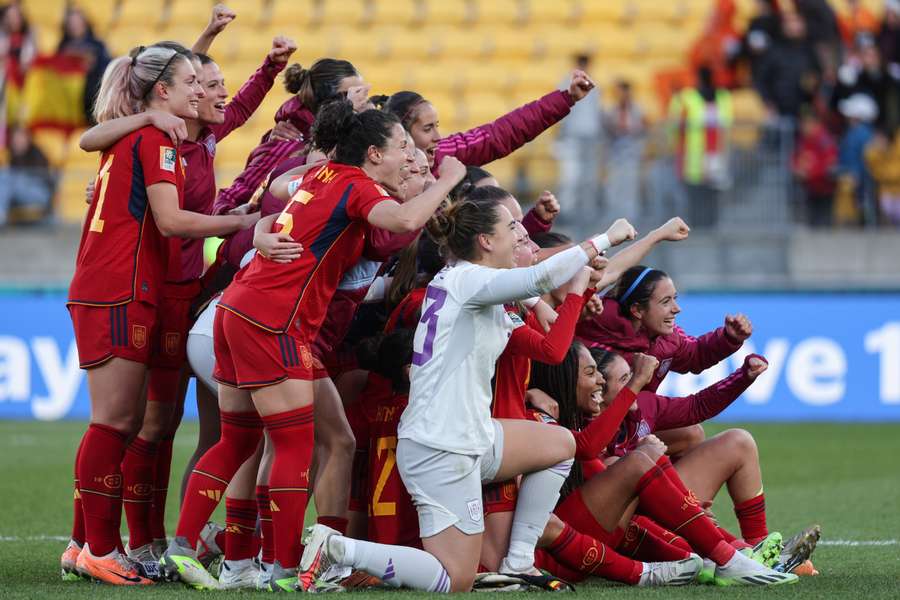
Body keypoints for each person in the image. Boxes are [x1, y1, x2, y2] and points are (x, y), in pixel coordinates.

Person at [161, 100, 467, 591]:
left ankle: (184, 549)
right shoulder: (355, 186)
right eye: (400, 147)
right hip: (274, 321)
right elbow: (405, 223)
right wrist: (448, 179)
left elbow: (283, 194)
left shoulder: (324, 174)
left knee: (240, 440)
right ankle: (283, 570)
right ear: (373, 154)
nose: (408, 155)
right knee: (294, 445)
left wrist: (263, 229)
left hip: (239, 309)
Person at [295, 195, 636, 593]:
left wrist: (537, 304)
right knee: (455, 578)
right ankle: (338, 548)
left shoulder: (464, 280)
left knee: (561, 444)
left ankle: (520, 561)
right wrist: (606, 238)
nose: (521, 238)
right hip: (441, 446)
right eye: (512, 229)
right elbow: (538, 278)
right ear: (486, 242)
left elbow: (542, 326)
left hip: (467, 433)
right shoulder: (470, 282)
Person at [76, 20, 296, 563]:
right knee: (128, 423)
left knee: (158, 423)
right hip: (132, 284)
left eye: (216, 84)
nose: (213, 92)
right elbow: (169, 214)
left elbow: (174, 82)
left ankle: (141, 541)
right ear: (169, 92)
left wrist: (268, 69)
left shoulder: (193, 137)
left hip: (173, 289)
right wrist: (240, 225)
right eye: (202, 83)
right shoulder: (156, 134)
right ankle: (91, 542)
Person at [529, 343, 799, 586]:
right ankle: (730, 555)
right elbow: (590, 453)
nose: (598, 381)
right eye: (592, 374)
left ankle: (747, 550)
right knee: (638, 461)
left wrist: (739, 366)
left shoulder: (636, 407)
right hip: (579, 542)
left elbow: (695, 409)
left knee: (724, 439)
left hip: (628, 521)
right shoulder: (559, 421)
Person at [591, 347, 821, 575]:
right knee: (626, 464)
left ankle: (759, 546)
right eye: (625, 380)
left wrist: (743, 377)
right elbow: (609, 499)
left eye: (632, 376)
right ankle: (743, 556)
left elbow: (697, 406)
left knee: (738, 441)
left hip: (662, 507)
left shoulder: (643, 405)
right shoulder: (586, 425)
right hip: (626, 526)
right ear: (601, 391)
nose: (636, 384)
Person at [576, 266, 751, 456]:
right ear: (637, 310)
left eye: (675, 298)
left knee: (691, 434)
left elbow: (695, 355)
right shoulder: (596, 324)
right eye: (666, 301)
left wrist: (728, 338)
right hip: (590, 428)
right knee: (642, 455)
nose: (677, 309)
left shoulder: (667, 338)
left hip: (636, 415)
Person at [213, 57, 369, 215]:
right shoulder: (288, 141)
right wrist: (242, 219)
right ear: (327, 101)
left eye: (361, 93)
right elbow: (238, 195)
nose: (360, 101)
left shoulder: (348, 139)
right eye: (348, 96)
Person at [381, 69, 596, 175]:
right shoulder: (377, 178)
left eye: (437, 126)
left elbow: (501, 133)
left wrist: (567, 98)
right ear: (402, 134)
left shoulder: (443, 155)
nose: (438, 137)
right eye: (428, 129)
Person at [668, 66, 732, 228]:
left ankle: (710, 226)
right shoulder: (686, 98)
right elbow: (674, 126)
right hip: (693, 156)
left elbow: (727, 128)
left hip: (716, 154)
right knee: (695, 194)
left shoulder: (723, 97)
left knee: (713, 193)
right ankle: (695, 227)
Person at [554, 54, 602, 222]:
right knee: (570, 176)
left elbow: (596, 113)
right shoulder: (566, 82)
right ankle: (567, 211)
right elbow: (560, 109)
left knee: (588, 177)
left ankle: (587, 212)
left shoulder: (594, 84)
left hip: (590, 136)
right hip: (572, 136)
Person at [56, 6, 111, 125]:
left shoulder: (97, 45)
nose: (74, 26)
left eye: (77, 22)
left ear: (85, 23)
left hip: (90, 92)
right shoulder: (62, 47)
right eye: (71, 23)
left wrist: (91, 65)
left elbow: (106, 69)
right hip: (68, 96)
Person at [602, 79, 646, 226]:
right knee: (614, 186)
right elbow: (606, 130)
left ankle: (630, 218)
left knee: (630, 185)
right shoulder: (611, 110)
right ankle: (613, 217)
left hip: (631, 151)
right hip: (615, 152)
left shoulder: (637, 110)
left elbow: (642, 130)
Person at [0, 125, 55, 226]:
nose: (18, 142)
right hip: (20, 194)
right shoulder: (13, 156)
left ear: (28, 138)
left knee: (6, 176)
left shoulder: (37, 153)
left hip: (40, 193)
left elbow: (43, 179)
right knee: (4, 177)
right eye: (15, 139)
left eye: (21, 138)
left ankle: (1, 216)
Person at [792, 110, 838, 227]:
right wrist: (796, 169)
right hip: (809, 187)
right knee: (811, 221)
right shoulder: (803, 140)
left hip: (824, 187)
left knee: (824, 221)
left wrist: (810, 173)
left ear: (815, 123)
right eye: (803, 124)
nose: (803, 127)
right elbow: (795, 157)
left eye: (806, 123)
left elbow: (829, 164)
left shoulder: (824, 139)